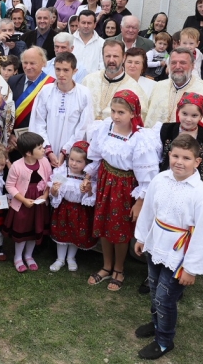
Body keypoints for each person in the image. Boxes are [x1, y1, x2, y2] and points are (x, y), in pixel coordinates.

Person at [133, 134, 203, 360]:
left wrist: (191, 268)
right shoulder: (160, 180)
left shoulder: (201, 194)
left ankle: (164, 341)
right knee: (153, 290)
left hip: (179, 254)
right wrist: (142, 237)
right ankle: (156, 322)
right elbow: (149, 209)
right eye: (176, 156)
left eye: (186, 158)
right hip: (156, 245)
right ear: (169, 155)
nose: (180, 162)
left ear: (197, 162)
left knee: (165, 298)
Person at [144, 48, 203, 224]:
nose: (178, 67)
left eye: (183, 63)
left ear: (193, 65)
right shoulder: (158, 87)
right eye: (174, 62)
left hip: (194, 175)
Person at [83, 90, 158, 291]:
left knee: (120, 230)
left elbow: (147, 177)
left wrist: (140, 202)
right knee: (104, 225)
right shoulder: (104, 128)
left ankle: (119, 268)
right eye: (113, 111)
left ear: (133, 113)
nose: (115, 116)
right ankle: (106, 266)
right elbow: (96, 156)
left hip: (125, 187)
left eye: (121, 113)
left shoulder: (140, 138)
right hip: (106, 181)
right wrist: (90, 177)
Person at [31, 51, 93, 169]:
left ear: (75, 71)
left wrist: (66, 150)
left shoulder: (84, 93)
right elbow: (38, 122)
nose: (61, 74)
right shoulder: (45, 91)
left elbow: (83, 126)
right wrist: (47, 150)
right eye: (58, 69)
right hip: (45, 152)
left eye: (66, 70)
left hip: (71, 155)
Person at [3, 132, 52, 273]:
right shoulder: (17, 166)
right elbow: (10, 186)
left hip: (39, 204)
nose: (44, 150)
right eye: (40, 148)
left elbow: (49, 179)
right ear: (29, 153)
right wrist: (23, 200)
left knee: (34, 229)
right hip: (22, 205)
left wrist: (46, 195)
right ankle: (18, 257)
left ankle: (29, 256)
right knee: (22, 231)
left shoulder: (44, 162)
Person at [48, 141, 96, 272]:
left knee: (76, 234)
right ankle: (60, 259)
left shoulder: (87, 178)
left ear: (86, 163)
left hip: (80, 210)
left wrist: (88, 190)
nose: (74, 164)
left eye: (79, 161)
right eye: (72, 160)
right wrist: (55, 189)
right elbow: (53, 194)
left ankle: (71, 258)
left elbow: (92, 197)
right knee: (61, 233)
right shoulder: (63, 172)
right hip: (64, 208)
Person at [82, 40, 146, 120]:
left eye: (115, 56)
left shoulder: (134, 89)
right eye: (108, 56)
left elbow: (139, 120)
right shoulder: (88, 80)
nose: (111, 60)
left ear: (124, 58)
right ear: (102, 57)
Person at [71, 11, 104, 81]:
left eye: (89, 23)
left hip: (93, 84)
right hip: (71, 83)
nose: (86, 26)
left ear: (95, 25)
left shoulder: (102, 43)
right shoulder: (70, 41)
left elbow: (102, 67)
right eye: (83, 23)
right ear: (78, 24)